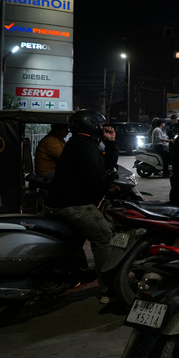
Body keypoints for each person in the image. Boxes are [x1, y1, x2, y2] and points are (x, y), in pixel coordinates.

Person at [44, 110, 119, 304]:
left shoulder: (81, 142)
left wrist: (111, 142)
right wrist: (107, 188)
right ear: (91, 125)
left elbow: (106, 164)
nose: (103, 128)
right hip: (74, 204)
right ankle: (109, 290)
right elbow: (93, 177)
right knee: (104, 238)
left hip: (60, 202)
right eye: (100, 125)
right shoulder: (83, 145)